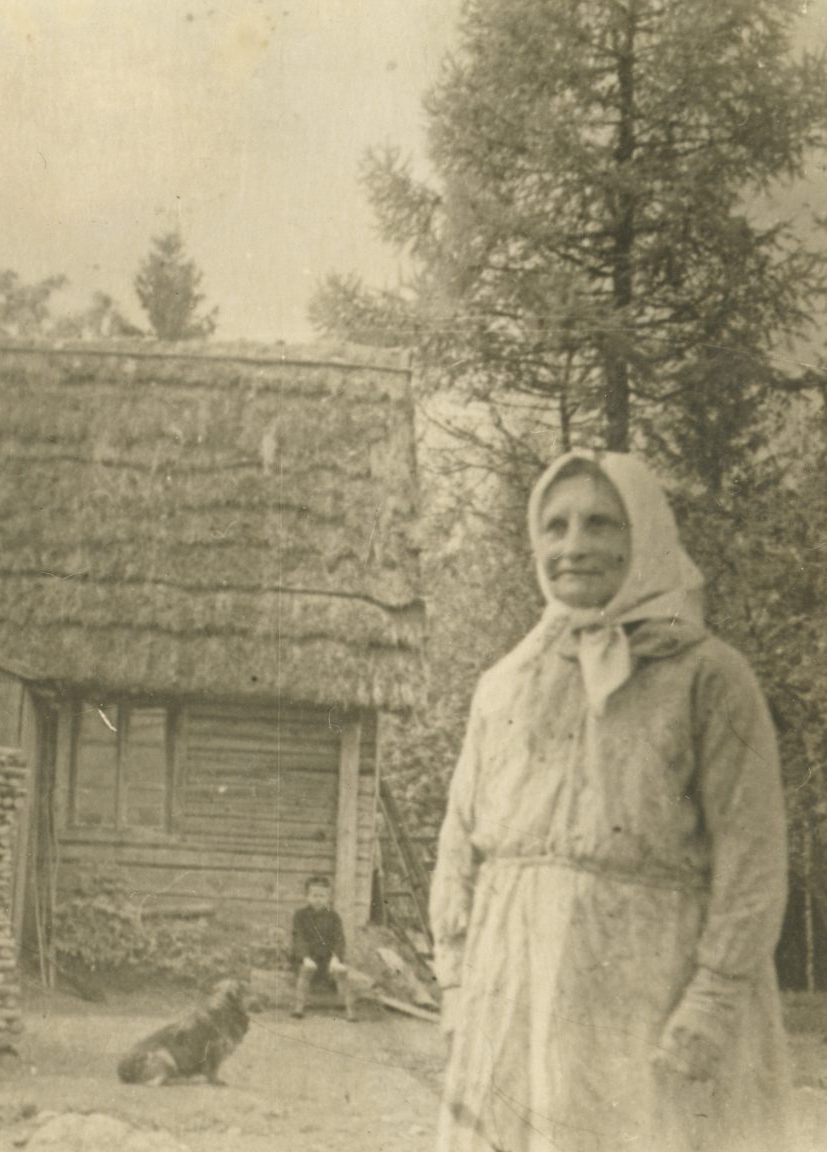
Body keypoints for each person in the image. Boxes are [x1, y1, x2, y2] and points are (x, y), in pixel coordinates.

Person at [430, 451, 790, 1152]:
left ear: (644, 534)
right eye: (555, 525)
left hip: (648, 996)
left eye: (599, 523)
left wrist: (711, 1002)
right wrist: (454, 981)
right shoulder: (505, 681)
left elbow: (753, 858)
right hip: (514, 994)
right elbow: (459, 838)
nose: (573, 547)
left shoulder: (708, 677)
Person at [290, 874, 355, 1021]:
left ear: (328, 898)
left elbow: (339, 940)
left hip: (327, 959)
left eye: (322, 896)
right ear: (307, 897)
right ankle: (299, 1006)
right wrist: (305, 958)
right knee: (307, 970)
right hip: (307, 958)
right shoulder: (300, 916)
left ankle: (349, 1009)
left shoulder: (333, 917)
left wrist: (336, 958)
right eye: (314, 895)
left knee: (341, 971)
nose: (318, 899)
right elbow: (298, 938)